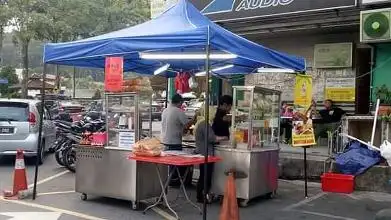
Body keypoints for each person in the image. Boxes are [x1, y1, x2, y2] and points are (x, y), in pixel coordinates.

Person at [161, 93, 197, 186]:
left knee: (169, 164)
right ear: (180, 102)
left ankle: (170, 180)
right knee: (175, 164)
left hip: (165, 141)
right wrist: (194, 118)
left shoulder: (165, 110)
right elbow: (187, 124)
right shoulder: (178, 111)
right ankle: (175, 181)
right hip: (174, 142)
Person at [194, 106, 226, 203]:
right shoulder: (205, 124)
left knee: (203, 175)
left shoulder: (200, 123)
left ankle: (201, 195)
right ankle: (203, 196)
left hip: (202, 152)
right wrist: (224, 138)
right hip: (206, 154)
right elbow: (212, 138)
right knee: (206, 177)